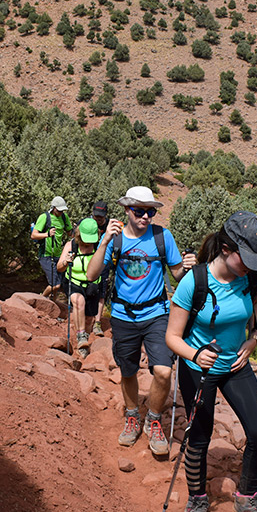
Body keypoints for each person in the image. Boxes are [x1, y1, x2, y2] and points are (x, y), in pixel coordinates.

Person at [166, 211, 257, 512]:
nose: (251, 266)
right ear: (226, 249)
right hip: (198, 369)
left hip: (235, 365)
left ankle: (246, 496)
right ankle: (197, 499)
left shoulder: (250, 277)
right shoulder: (195, 282)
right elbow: (172, 337)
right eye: (246, 259)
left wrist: (254, 338)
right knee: (199, 437)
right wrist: (194, 355)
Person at [86, 186, 197, 458]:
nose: (146, 216)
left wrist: (187, 267)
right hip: (123, 316)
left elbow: (177, 275)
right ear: (127, 210)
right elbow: (91, 274)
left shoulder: (162, 236)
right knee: (128, 371)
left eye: (150, 211)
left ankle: (154, 420)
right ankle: (133, 415)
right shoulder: (115, 239)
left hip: (157, 314)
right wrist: (104, 242)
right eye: (139, 211)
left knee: (163, 372)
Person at [57, 218, 102, 358]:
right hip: (74, 282)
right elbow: (59, 268)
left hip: (92, 285)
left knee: (89, 319)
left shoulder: (99, 247)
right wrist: (66, 262)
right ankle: (80, 336)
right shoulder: (71, 246)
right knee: (78, 301)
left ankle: (84, 342)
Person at [31, 196, 71, 298]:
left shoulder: (64, 217)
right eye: (59, 210)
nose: (61, 212)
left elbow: (70, 233)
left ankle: (52, 302)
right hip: (46, 255)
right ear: (53, 208)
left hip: (59, 255)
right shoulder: (44, 217)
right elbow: (33, 235)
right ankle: (41, 299)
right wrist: (47, 234)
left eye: (62, 210)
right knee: (55, 285)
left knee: (58, 285)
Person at [92, 201, 110, 336]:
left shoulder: (110, 226)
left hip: (104, 262)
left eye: (101, 216)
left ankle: (97, 323)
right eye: (96, 216)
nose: (98, 219)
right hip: (88, 262)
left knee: (101, 292)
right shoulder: (86, 223)